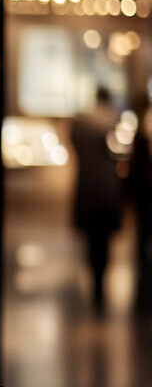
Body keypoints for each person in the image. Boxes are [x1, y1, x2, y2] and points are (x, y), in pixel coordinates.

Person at [70, 86, 124, 312]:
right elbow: (119, 154)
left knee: (93, 241)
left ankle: (96, 284)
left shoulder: (82, 122)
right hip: (107, 190)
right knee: (103, 242)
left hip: (87, 189)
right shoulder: (110, 121)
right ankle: (99, 285)